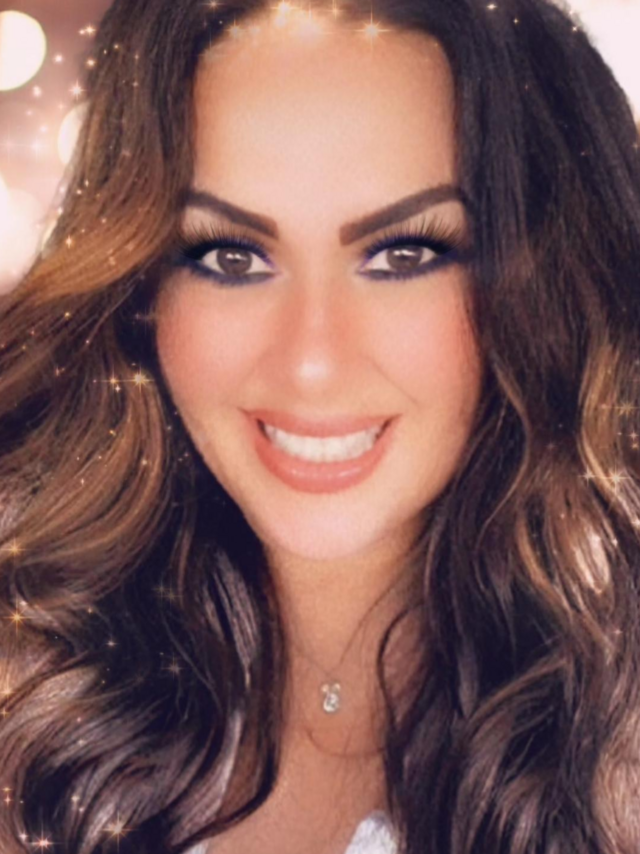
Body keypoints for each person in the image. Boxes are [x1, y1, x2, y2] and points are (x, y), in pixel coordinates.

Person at [1, 0, 640, 851]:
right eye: (231, 256)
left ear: (549, 285)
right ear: (141, 288)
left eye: (404, 254)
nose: (310, 361)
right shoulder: (31, 696)